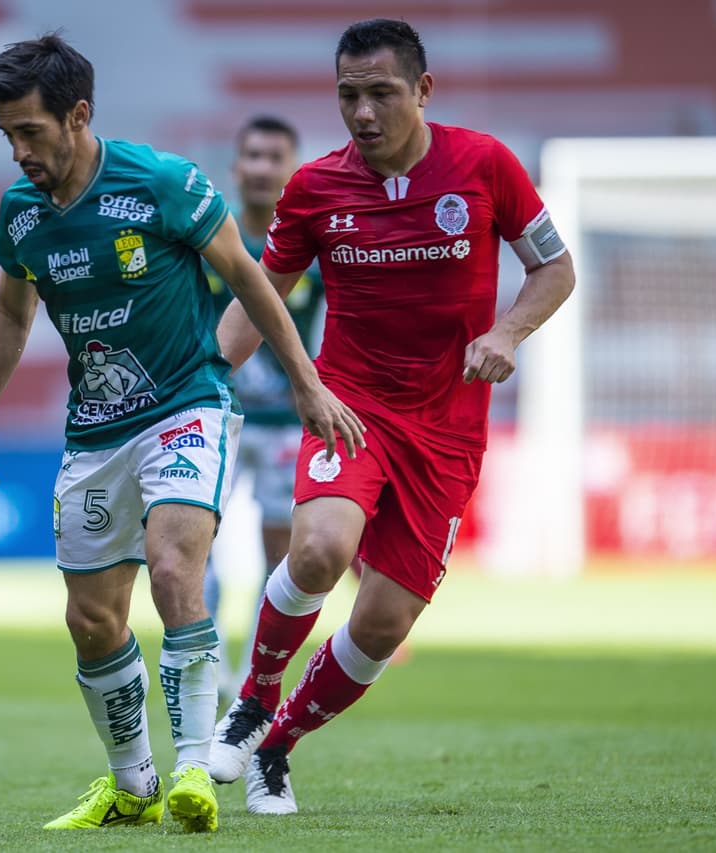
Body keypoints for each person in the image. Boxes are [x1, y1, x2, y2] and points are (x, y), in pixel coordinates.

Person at [0, 34, 364, 832]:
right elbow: (11, 309)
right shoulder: (21, 214)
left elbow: (250, 276)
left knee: (177, 569)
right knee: (92, 619)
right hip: (95, 431)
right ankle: (132, 781)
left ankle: (195, 767)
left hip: (187, 403)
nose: (19, 151)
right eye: (7, 136)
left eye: (29, 131)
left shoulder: (163, 182)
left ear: (78, 115)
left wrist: (308, 385)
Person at [209, 18, 576, 814]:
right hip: (351, 403)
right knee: (318, 550)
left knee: (380, 621)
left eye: (381, 94)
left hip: (447, 425)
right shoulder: (315, 188)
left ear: (423, 91)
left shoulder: (484, 164)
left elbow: (555, 266)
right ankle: (252, 698)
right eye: (349, 95)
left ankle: (278, 747)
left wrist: (507, 331)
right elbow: (260, 297)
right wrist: (205, 380)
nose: (363, 113)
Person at [201, 116, 325, 697]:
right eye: (251, 155)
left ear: (292, 168)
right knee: (191, 542)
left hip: (282, 425)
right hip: (211, 414)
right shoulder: (208, 236)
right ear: (236, 166)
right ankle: (202, 662)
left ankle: (253, 675)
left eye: (274, 157)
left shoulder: (312, 247)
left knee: (280, 553)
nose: (261, 168)